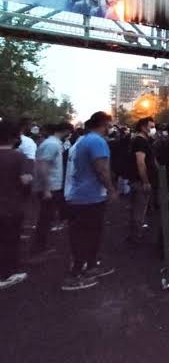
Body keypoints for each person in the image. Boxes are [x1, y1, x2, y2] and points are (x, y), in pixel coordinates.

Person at [64, 111, 116, 291]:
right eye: (110, 124)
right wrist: (111, 189)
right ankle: (75, 275)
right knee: (84, 236)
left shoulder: (84, 140)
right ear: (103, 124)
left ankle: (91, 266)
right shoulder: (97, 141)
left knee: (90, 234)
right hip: (88, 197)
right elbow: (101, 170)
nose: (112, 127)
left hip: (81, 195)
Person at [31, 122, 73, 258]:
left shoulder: (53, 143)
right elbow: (43, 167)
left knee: (47, 217)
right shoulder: (52, 144)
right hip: (50, 187)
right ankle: (38, 249)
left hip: (52, 186)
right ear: (65, 131)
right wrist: (47, 189)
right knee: (45, 218)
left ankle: (40, 247)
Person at [0, 121, 33, 290]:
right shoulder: (19, 157)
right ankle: (7, 274)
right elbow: (25, 180)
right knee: (10, 240)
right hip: (11, 206)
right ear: (15, 137)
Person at [128, 117, 157, 243]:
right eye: (151, 127)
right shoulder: (140, 141)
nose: (153, 130)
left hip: (141, 180)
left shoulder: (146, 140)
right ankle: (136, 236)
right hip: (140, 181)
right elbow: (140, 162)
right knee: (139, 208)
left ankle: (136, 233)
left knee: (140, 208)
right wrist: (145, 181)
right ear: (143, 127)